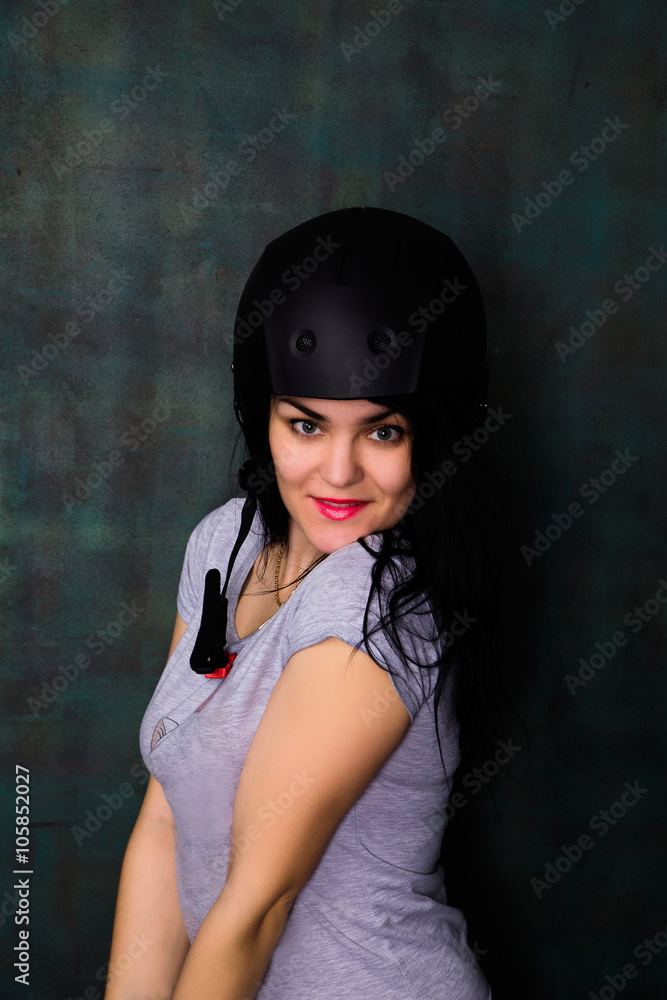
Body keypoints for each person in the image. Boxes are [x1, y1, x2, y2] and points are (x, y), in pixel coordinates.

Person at [105, 206, 506, 999]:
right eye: (306, 425)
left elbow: (255, 910)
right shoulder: (223, 544)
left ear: (432, 437)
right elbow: (163, 821)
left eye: (383, 433)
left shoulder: (373, 605)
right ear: (263, 416)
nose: (339, 471)